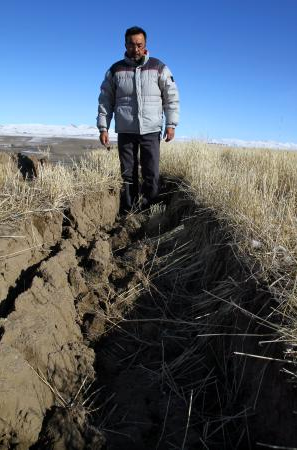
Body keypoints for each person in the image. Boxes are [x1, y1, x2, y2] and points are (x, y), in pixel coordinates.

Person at [97, 26, 179, 213]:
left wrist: (171, 124)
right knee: (128, 172)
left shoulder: (159, 67)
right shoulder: (115, 70)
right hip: (126, 129)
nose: (136, 49)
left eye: (139, 45)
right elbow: (105, 100)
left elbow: (171, 97)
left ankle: (150, 209)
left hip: (151, 129)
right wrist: (103, 127)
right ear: (125, 44)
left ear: (145, 44)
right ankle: (128, 209)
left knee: (151, 172)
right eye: (132, 44)